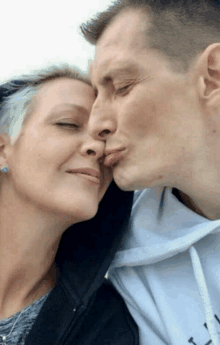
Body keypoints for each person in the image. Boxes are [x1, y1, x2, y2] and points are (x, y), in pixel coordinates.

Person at [80, 0, 220, 344]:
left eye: (122, 87)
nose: (96, 125)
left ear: (213, 75)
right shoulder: (128, 261)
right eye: (96, 94)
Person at [0, 64, 139, 345]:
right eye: (68, 124)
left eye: (106, 136)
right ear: (3, 150)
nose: (98, 147)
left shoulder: (107, 325)